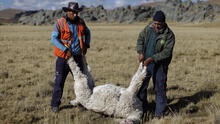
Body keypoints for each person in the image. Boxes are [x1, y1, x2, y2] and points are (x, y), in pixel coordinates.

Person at [50, 2, 91, 113]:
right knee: (59, 81)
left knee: (82, 82)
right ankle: (55, 105)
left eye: (77, 12)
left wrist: (86, 44)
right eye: (73, 12)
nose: (75, 15)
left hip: (78, 58)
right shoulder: (60, 23)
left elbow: (88, 32)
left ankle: (83, 103)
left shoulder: (81, 22)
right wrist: (65, 50)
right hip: (63, 59)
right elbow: (53, 39)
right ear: (67, 12)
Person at [136, 10, 175, 118]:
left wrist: (152, 58)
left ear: (163, 23)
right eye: (155, 23)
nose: (156, 26)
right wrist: (140, 52)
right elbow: (140, 39)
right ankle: (141, 110)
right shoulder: (148, 29)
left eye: (159, 24)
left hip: (160, 66)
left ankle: (159, 113)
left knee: (159, 88)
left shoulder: (169, 35)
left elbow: (167, 52)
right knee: (141, 87)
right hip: (146, 64)